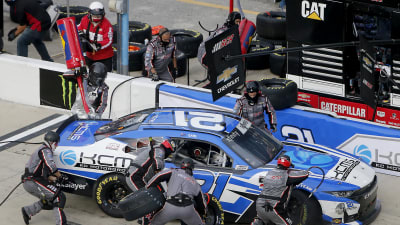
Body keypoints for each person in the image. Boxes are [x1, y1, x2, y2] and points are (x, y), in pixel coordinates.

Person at [21, 131, 67, 225]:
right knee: (58, 196)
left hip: (32, 180)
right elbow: (51, 166)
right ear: (52, 142)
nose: (57, 146)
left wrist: (54, 179)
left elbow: (44, 173)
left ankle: (28, 211)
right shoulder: (45, 150)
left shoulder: (42, 149)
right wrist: (60, 176)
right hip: (32, 181)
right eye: (57, 143)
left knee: (50, 200)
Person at [146, 158, 207, 225]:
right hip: (188, 210)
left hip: (170, 207)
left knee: (153, 223)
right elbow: (202, 204)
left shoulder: (173, 171)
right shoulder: (195, 183)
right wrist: (203, 214)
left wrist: (148, 187)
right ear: (192, 168)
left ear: (181, 166)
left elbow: (158, 176)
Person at [251, 155, 309, 225]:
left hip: (260, 206)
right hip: (274, 208)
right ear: (288, 164)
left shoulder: (269, 173)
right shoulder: (287, 175)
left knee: (260, 222)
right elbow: (305, 174)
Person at [77, 1, 113, 72]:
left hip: (104, 58)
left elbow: (108, 40)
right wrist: (80, 34)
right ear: (89, 14)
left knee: (105, 77)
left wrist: (98, 45)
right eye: (94, 16)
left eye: (99, 16)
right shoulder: (84, 20)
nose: (97, 18)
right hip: (89, 56)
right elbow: (78, 28)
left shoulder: (107, 25)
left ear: (103, 15)